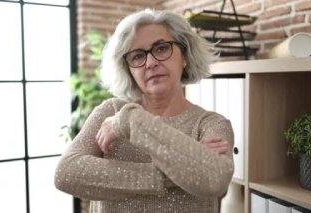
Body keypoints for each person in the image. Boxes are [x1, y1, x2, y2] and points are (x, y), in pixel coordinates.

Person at [55, 8, 234, 213]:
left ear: (185, 55)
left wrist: (130, 121)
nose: (150, 63)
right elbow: (66, 174)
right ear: (128, 69)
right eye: (138, 56)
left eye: (161, 48)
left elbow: (214, 179)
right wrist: (178, 170)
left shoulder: (211, 124)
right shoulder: (110, 111)